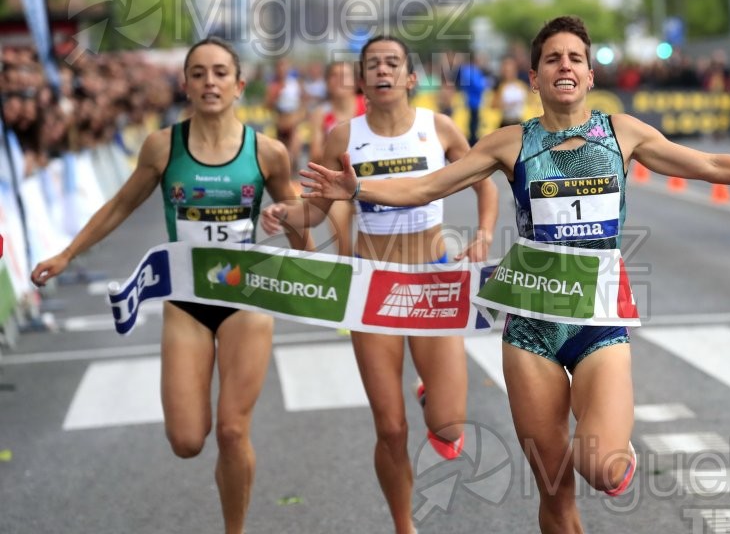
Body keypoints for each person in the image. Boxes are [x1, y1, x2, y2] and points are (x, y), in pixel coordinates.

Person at [297, 16, 730, 533]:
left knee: (601, 464)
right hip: (531, 329)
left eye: (574, 58)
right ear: (536, 78)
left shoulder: (623, 134)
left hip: (598, 323)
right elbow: (425, 187)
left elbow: (713, 164)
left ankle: (613, 451)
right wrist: (359, 189)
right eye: (552, 59)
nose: (564, 66)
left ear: (590, 75)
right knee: (555, 490)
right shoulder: (511, 143)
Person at [31, 37, 311, 534]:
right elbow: (120, 205)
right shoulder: (163, 146)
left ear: (239, 84)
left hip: (246, 298)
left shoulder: (268, 152)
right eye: (199, 73)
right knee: (187, 440)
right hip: (186, 300)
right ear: (184, 84)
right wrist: (66, 254)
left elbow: (299, 224)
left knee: (231, 430)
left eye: (220, 73)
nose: (210, 82)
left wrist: (286, 220)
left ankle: (235, 530)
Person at [261, 35, 499, 534]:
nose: (384, 71)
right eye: (373, 65)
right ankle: (403, 526)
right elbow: (316, 211)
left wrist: (483, 235)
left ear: (411, 78)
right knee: (390, 428)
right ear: (362, 79)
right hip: (373, 287)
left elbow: (485, 180)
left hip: (432, 281)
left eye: (393, 63)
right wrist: (285, 215)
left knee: (449, 426)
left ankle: (428, 392)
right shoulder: (343, 137)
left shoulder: (438, 128)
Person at [306, 60, 367, 258]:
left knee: (372, 244)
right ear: (327, 82)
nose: (339, 80)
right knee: (342, 243)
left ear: (356, 81)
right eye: (334, 76)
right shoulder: (320, 114)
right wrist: (338, 142)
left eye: (345, 75)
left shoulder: (367, 105)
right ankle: (349, 272)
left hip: (368, 183)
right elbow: (316, 154)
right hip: (338, 186)